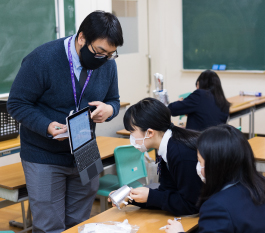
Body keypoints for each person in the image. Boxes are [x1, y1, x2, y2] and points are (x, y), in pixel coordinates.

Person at [7, 11, 123, 233]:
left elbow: (114, 100)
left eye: (110, 54)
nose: (105, 58)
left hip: (86, 151)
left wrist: (109, 110)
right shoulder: (41, 59)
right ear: (82, 38)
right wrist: (47, 126)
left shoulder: (107, 64)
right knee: (50, 226)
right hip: (44, 154)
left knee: (80, 224)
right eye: (100, 51)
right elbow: (17, 104)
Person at [109, 98, 202, 216]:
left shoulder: (181, 153)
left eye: (132, 132)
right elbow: (168, 192)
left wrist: (150, 196)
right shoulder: (165, 145)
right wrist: (130, 197)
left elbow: (190, 204)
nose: (131, 137)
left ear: (150, 133)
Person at [165, 124, 265, 233]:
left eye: (200, 161)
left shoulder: (217, 207)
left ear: (215, 165)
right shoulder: (259, 183)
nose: (198, 167)